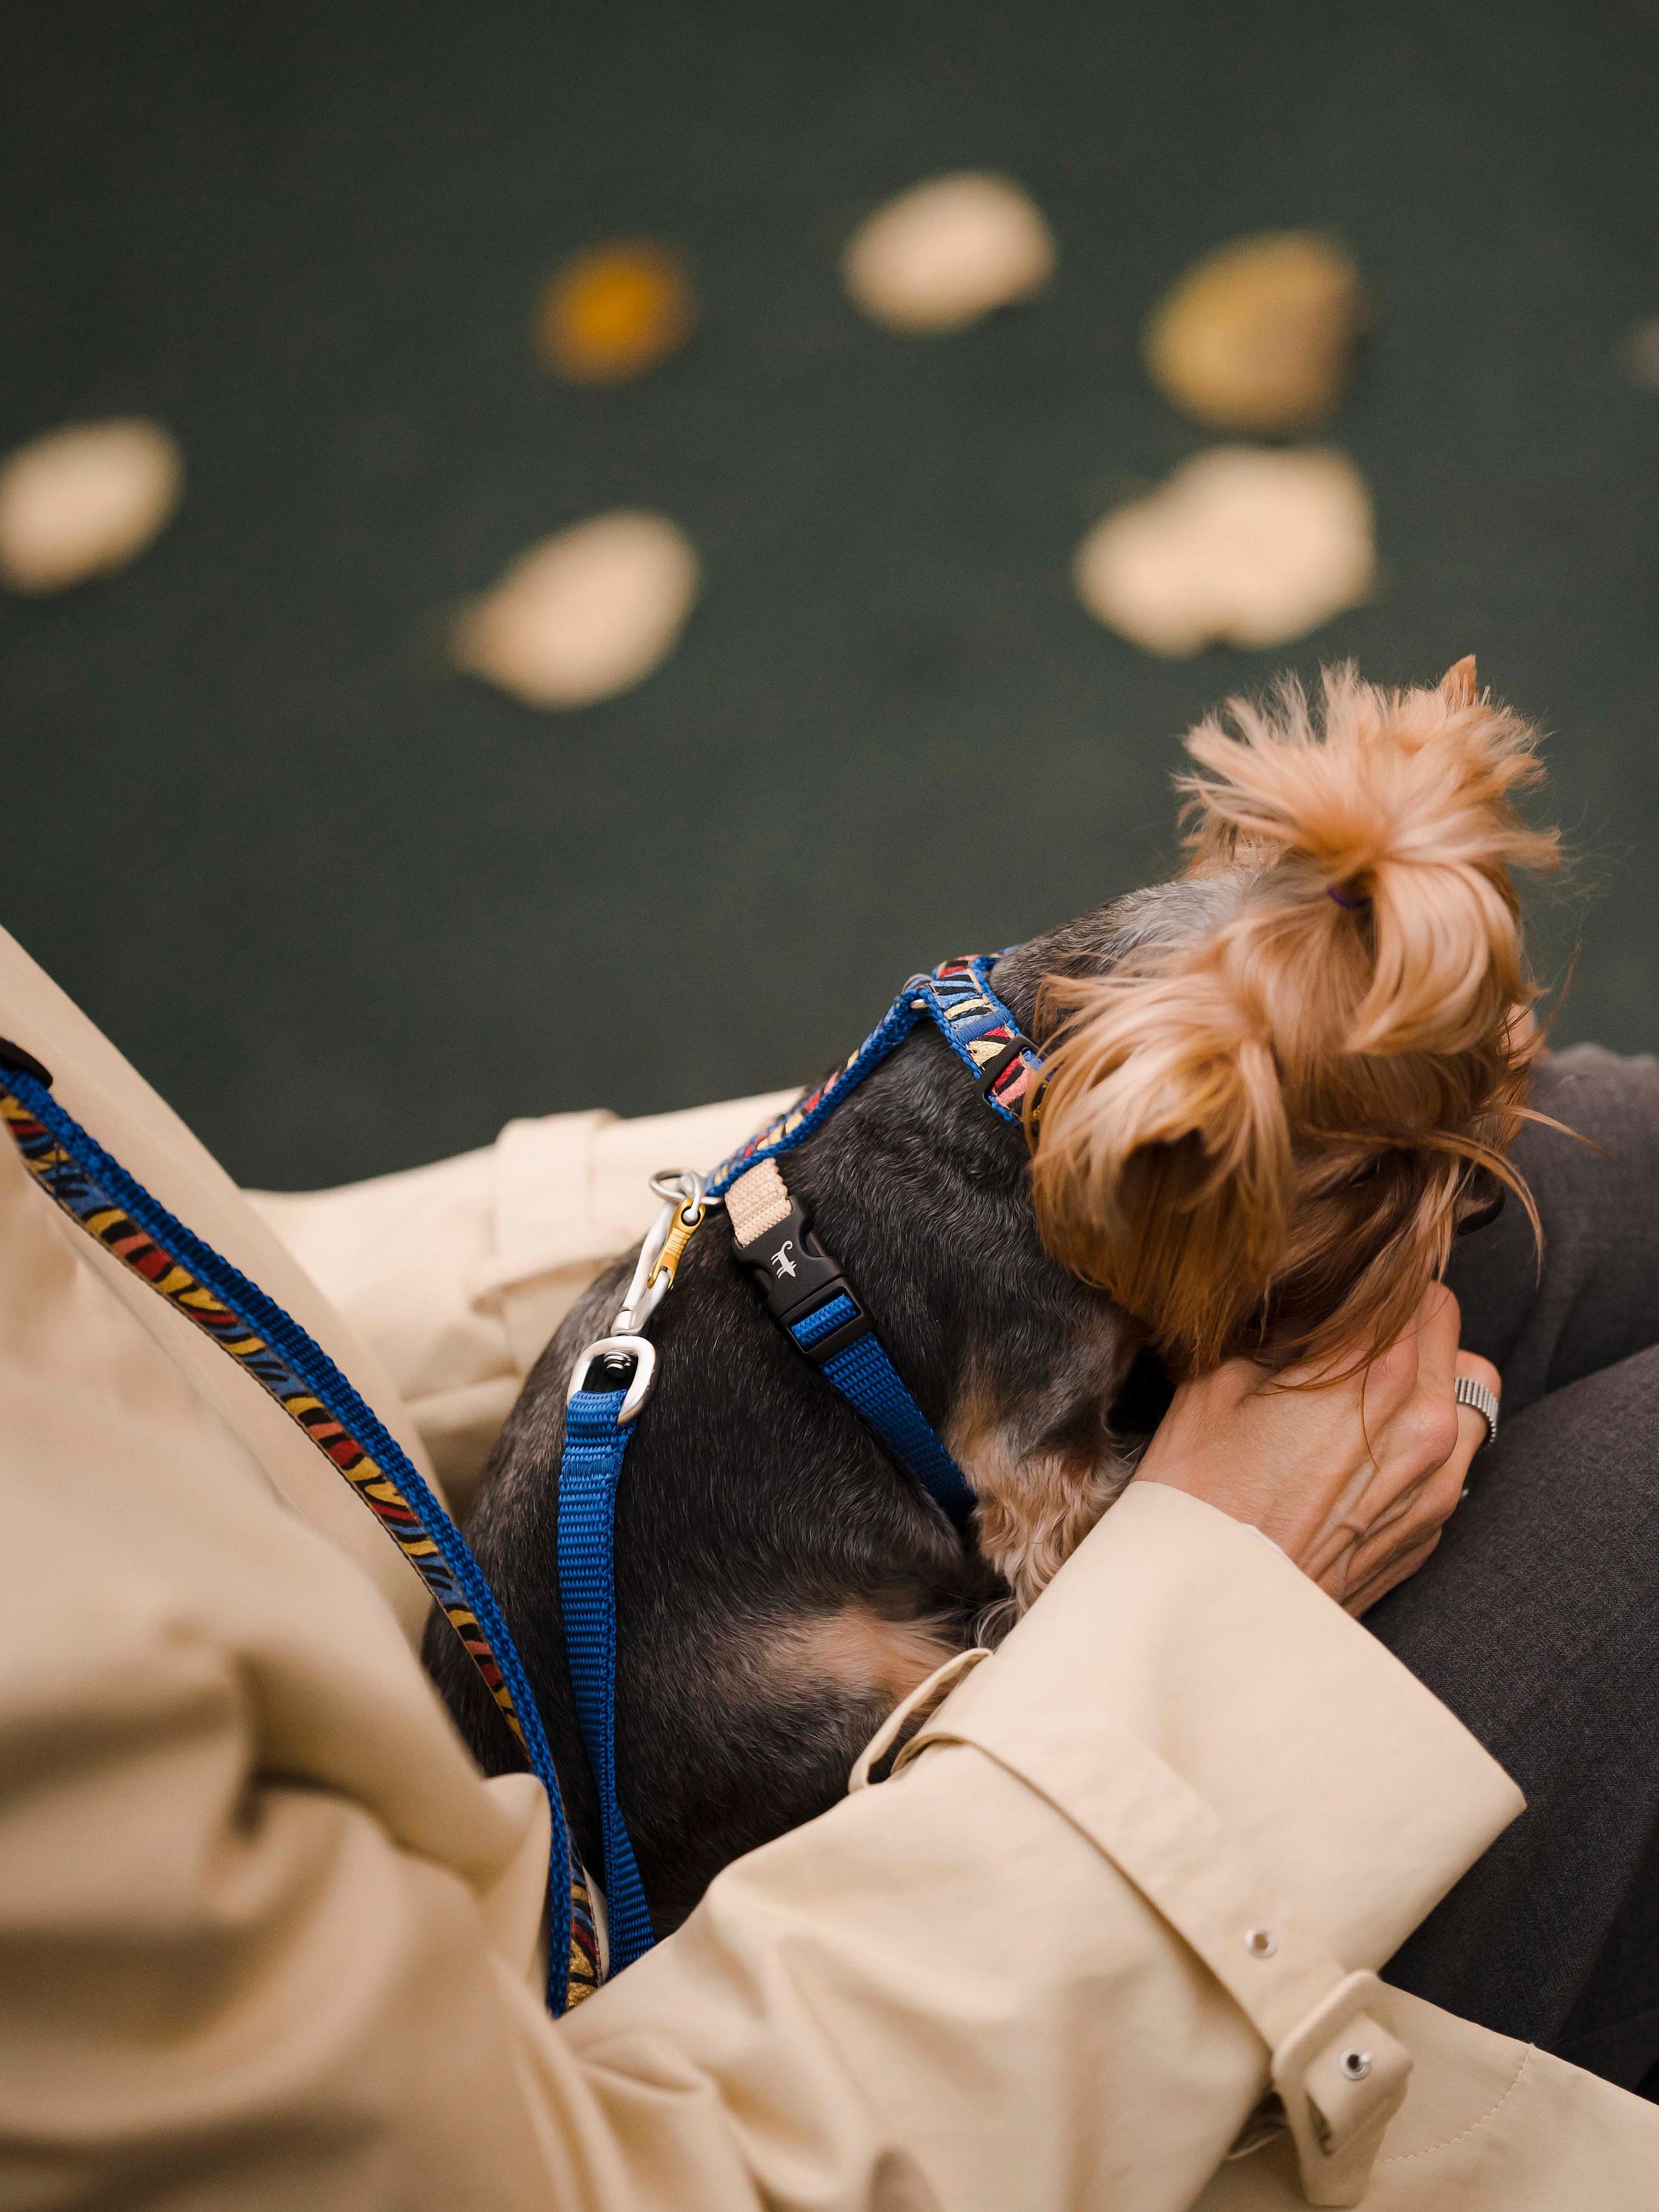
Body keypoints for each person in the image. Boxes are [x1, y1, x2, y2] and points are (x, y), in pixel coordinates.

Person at [1, 916, 1654, 2209]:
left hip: (510, 1684)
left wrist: (899, 1169)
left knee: (1580, 1145)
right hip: (870, 2046)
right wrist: (1203, 1623)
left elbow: (174, 1294)